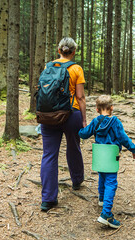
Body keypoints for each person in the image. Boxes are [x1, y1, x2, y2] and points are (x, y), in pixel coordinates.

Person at [40, 37, 87, 211]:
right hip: (71, 113)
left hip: (48, 115)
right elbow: (81, 97)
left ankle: (48, 199)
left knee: (49, 154)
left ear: (58, 50)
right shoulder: (76, 68)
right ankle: (76, 180)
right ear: (74, 52)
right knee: (74, 146)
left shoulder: (48, 66)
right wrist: (83, 119)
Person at [78, 95, 135, 229]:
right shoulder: (115, 122)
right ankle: (106, 214)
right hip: (111, 156)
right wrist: (133, 149)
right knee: (111, 182)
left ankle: (102, 199)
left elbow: (84, 134)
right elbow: (123, 138)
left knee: (102, 176)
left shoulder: (95, 121)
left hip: (100, 156)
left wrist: (79, 128)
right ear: (111, 108)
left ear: (97, 109)